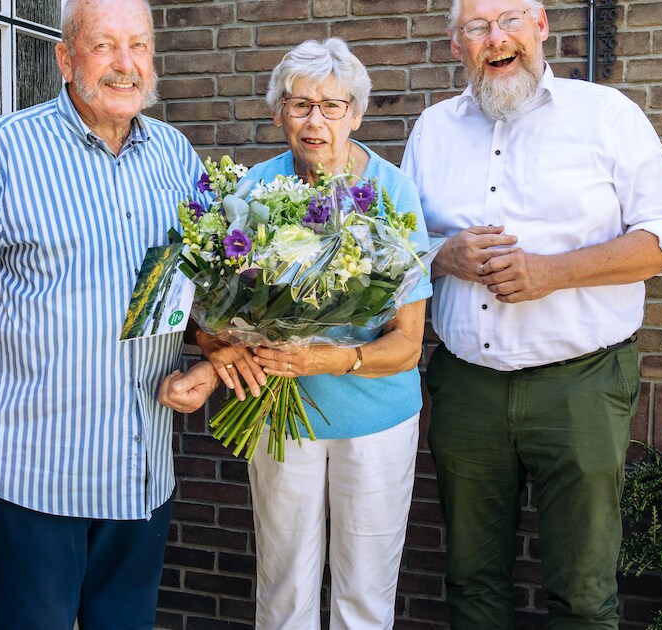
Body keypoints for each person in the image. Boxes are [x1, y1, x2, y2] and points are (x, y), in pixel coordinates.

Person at [0, 0, 218, 627]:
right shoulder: (3, 150)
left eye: (139, 46)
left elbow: (192, 292)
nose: (125, 64)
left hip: (141, 471)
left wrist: (215, 352)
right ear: (65, 57)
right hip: (36, 477)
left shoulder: (177, 156)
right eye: (104, 45)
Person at [401, 0, 662, 627]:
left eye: (510, 20)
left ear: (541, 27)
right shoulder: (432, 129)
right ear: (456, 46)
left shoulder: (607, 115)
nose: (496, 38)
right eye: (477, 27)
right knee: (472, 585)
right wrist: (442, 255)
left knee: (583, 595)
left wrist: (553, 272)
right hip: (467, 388)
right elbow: (394, 251)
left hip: (581, 387)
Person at [197, 38, 432, 629]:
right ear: (279, 113)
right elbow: (214, 311)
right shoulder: (251, 190)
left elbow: (407, 344)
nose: (315, 121)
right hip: (281, 415)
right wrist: (222, 342)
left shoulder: (392, 193)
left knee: (365, 596)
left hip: (375, 419)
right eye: (300, 104)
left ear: (356, 115)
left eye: (331, 106)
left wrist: (330, 359)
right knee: (284, 590)